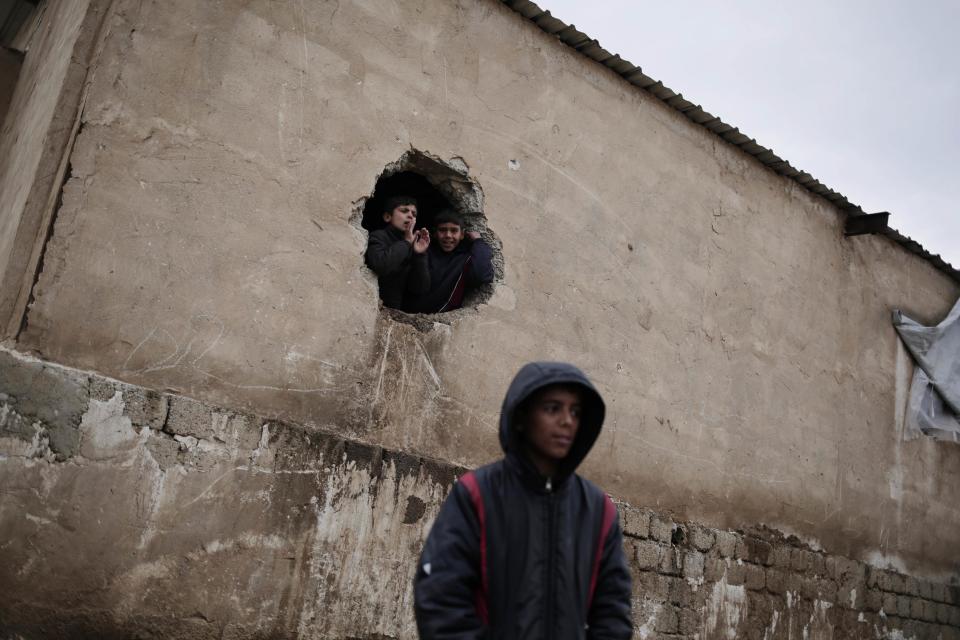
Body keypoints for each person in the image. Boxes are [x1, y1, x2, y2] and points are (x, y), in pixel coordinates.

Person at [414, 362, 633, 639]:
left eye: (575, 411)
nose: (567, 421)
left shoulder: (599, 512)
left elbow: (612, 614)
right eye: (552, 408)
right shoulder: (477, 494)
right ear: (521, 416)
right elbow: (440, 598)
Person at [408, 209, 494, 313]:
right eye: (443, 230)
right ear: (435, 233)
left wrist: (478, 242)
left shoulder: (465, 259)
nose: (448, 235)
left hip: (443, 321)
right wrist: (419, 255)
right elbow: (416, 286)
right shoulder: (425, 252)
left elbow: (481, 276)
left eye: (454, 230)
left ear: (462, 234)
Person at [364, 196, 431, 311]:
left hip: (397, 313)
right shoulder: (379, 236)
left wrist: (420, 255)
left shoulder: (413, 245)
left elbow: (420, 288)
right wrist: (406, 243)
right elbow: (381, 265)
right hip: (371, 308)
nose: (410, 215)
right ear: (387, 217)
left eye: (414, 214)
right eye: (404, 211)